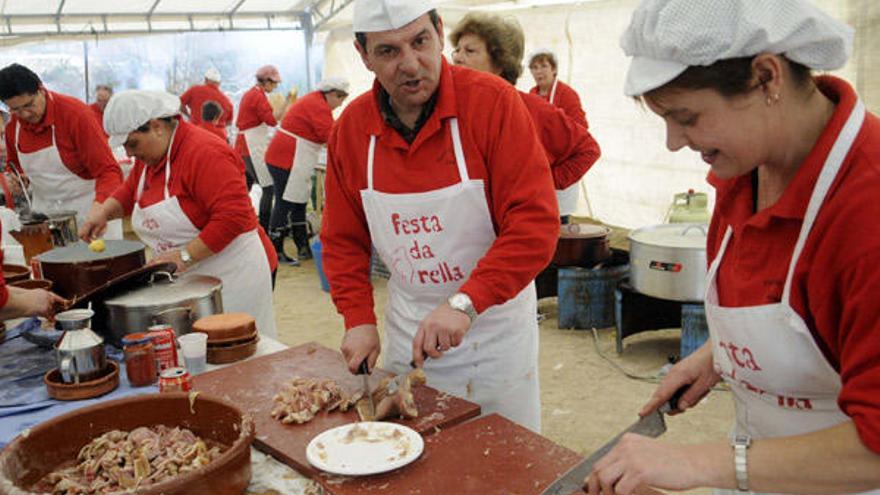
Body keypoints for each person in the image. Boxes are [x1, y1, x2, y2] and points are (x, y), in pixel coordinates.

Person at [584, 1, 880, 494]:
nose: (674, 142)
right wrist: (718, 358)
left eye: (686, 116)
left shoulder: (865, 209)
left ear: (766, 78)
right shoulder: (745, 171)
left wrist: (699, 464)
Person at [321, 0, 559, 433]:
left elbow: (534, 224)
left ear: (438, 29)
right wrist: (357, 319)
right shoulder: (352, 128)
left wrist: (465, 303)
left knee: (500, 456)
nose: (411, 65)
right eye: (388, 51)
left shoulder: (493, 104)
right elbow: (342, 239)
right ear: (364, 56)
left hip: (494, 332)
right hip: (409, 327)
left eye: (420, 42)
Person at [79, 90, 277, 337]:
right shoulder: (152, 156)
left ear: (156, 126)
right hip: (191, 273)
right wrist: (104, 212)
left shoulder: (205, 152)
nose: (129, 154)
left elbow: (232, 217)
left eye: (132, 144)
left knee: (234, 348)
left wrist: (184, 256)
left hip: (232, 272)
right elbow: (131, 191)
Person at [449, 12, 601, 206]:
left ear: (499, 63)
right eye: (457, 50)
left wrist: (547, 181)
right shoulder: (452, 111)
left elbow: (587, 148)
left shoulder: (533, 108)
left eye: (469, 51)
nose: (457, 58)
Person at [0, 64, 124, 238]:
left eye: (29, 105)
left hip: (88, 214)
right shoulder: (14, 126)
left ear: (40, 89)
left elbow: (109, 171)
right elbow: (14, 167)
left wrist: (101, 207)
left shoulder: (75, 114)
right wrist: (17, 179)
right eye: (15, 109)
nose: (25, 114)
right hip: (46, 221)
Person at [266, 77, 349, 264]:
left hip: (294, 156)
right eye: (340, 99)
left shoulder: (318, 102)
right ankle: (275, 249)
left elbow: (331, 130)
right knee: (284, 202)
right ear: (331, 94)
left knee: (299, 201)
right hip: (287, 157)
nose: (340, 103)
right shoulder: (318, 105)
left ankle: (302, 245)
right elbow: (328, 135)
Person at [528, 48, 591, 223]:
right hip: (539, 166)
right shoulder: (531, 94)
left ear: (554, 69)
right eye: (534, 67)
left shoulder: (567, 94)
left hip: (561, 165)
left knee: (558, 220)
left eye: (543, 66)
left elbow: (581, 130)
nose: (538, 71)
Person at [235, 65, 281, 232]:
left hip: (242, 146)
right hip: (250, 147)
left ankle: (242, 224)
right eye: (274, 83)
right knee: (268, 188)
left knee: (244, 188)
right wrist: (285, 107)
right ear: (266, 81)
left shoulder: (251, 94)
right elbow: (271, 120)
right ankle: (264, 229)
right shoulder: (257, 96)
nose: (275, 87)